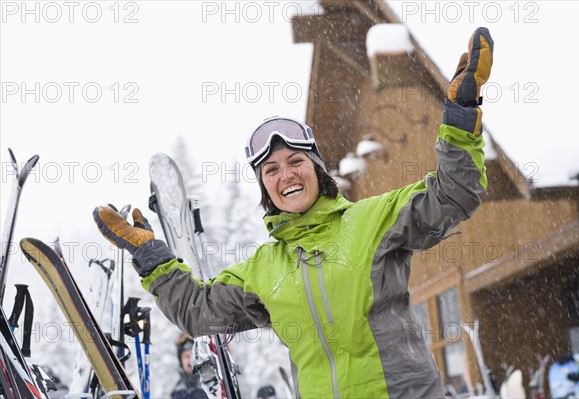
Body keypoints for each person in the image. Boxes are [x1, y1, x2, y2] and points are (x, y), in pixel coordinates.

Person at [94, 27, 493, 399]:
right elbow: (199, 314)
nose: (286, 175)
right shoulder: (264, 270)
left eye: (295, 161)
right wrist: (153, 259)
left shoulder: (373, 221)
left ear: (317, 168)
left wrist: (460, 117)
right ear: (265, 186)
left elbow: (455, 192)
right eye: (271, 170)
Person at [170, 333, 209, 399]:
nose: (190, 360)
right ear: (180, 359)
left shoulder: (211, 388)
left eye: (193, 355)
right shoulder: (177, 391)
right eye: (186, 356)